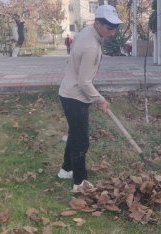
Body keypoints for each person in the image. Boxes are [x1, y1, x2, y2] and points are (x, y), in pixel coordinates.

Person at [57, 4, 122, 193]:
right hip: (75, 96)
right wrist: (100, 99)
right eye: (109, 28)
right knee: (81, 140)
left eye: (115, 28)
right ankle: (80, 182)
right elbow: (84, 82)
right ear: (98, 23)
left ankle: (66, 169)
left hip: (70, 92)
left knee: (75, 133)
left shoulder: (87, 32)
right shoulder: (90, 46)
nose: (112, 32)